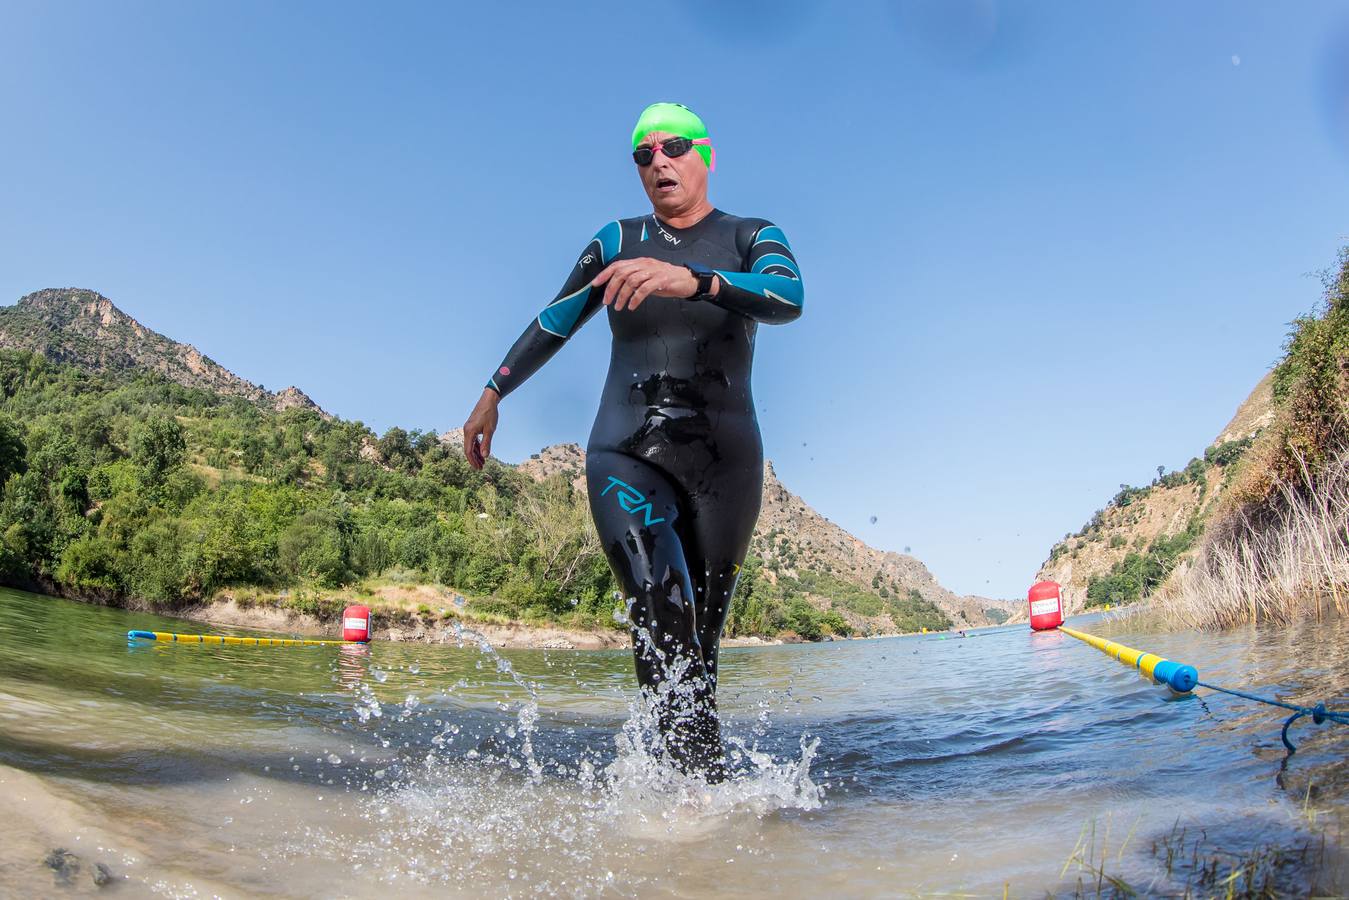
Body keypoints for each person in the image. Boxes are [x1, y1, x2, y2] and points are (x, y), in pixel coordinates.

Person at [461, 102, 804, 779]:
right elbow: (556, 318)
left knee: (700, 640)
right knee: (658, 600)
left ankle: (696, 788)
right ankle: (685, 791)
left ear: (705, 155)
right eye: (643, 155)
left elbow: (787, 296)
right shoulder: (618, 241)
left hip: (726, 463)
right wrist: (494, 391)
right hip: (625, 449)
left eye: (673, 148)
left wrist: (697, 281)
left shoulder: (750, 235)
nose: (658, 163)